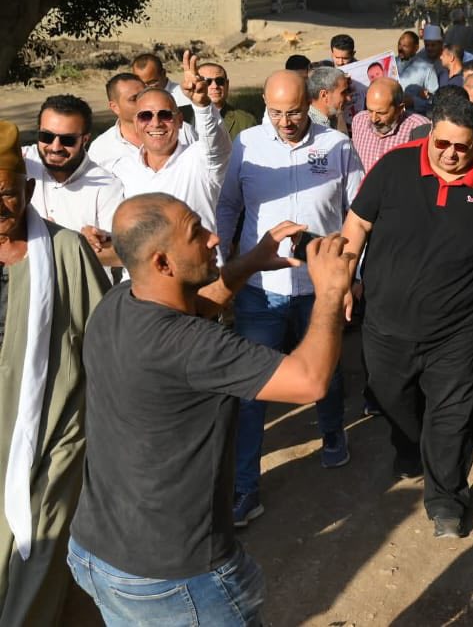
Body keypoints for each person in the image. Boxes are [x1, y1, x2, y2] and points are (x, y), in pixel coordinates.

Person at [69, 195, 351, 626]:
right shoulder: (190, 346)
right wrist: (329, 291)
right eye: (196, 233)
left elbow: (198, 306)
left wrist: (249, 263)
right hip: (175, 578)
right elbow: (309, 381)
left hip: (98, 553)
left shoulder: (120, 302)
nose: (214, 238)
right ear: (163, 262)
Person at [340, 94, 473, 537]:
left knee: (453, 414)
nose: (451, 154)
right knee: (391, 396)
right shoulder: (394, 166)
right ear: (430, 134)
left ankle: (447, 500)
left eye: (462, 147)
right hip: (387, 323)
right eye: (442, 144)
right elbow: (358, 224)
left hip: (462, 329)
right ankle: (410, 447)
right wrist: (343, 281)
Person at [215, 70, 364, 524]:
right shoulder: (247, 144)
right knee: (251, 390)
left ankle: (332, 432)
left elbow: (358, 214)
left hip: (320, 289)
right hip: (261, 292)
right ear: (264, 103)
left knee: (327, 371)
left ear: (309, 103)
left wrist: (352, 275)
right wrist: (227, 264)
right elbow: (229, 206)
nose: (285, 121)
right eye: (276, 112)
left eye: (294, 112)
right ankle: (245, 487)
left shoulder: (337, 146)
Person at [0, 121, 109, 625]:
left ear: (27, 189)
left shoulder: (65, 251)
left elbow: (105, 346)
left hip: (52, 438)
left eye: (6, 193)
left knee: (36, 554)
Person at [115, 52, 231, 232]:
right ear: (136, 124)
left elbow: (215, 143)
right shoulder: (122, 169)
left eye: (165, 115)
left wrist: (202, 105)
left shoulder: (200, 161)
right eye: (146, 116)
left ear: (179, 121)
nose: (155, 123)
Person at [22, 96, 124, 268]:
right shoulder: (23, 162)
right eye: (46, 136)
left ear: (85, 140)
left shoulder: (106, 186)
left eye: (67, 140)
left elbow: (120, 256)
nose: (55, 147)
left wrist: (76, 242)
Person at [88, 72, 194, 171]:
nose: (142, 102)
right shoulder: (101, 148)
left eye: (143, 95)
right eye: (133, 99)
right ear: (115, 107)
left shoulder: (181, 130)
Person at [351, 78, 429, 173]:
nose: (374, 119)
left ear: (399, 109)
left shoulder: (419, 127)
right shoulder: (359, 122)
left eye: (381, 113)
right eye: (370, 111)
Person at [196, 63, 256, 140]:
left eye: (219, 81)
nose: (215, 86)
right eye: (207, 82)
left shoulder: (245, 121)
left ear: (227, 85)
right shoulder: (184, 118)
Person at [307, 65, 353, 132]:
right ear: (324, 95)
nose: (349, 98)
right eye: (343, 93)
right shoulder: (310, 128)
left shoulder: (334, 117)